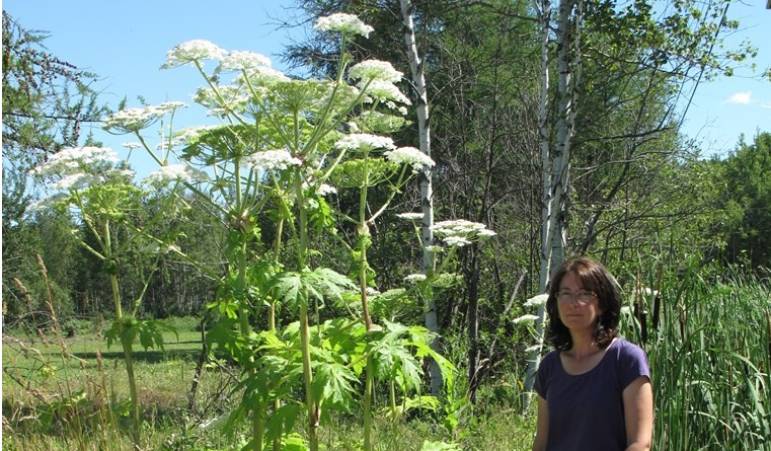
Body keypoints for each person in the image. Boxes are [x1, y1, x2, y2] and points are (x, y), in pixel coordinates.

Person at [532, 257, 653, 451]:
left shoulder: (626, 359)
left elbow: (640, 443)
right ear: (556, 301)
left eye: (584, 294)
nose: (574, 303)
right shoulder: (549, 366)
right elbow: (541, 443)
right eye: (565, 293)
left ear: (602, 303)